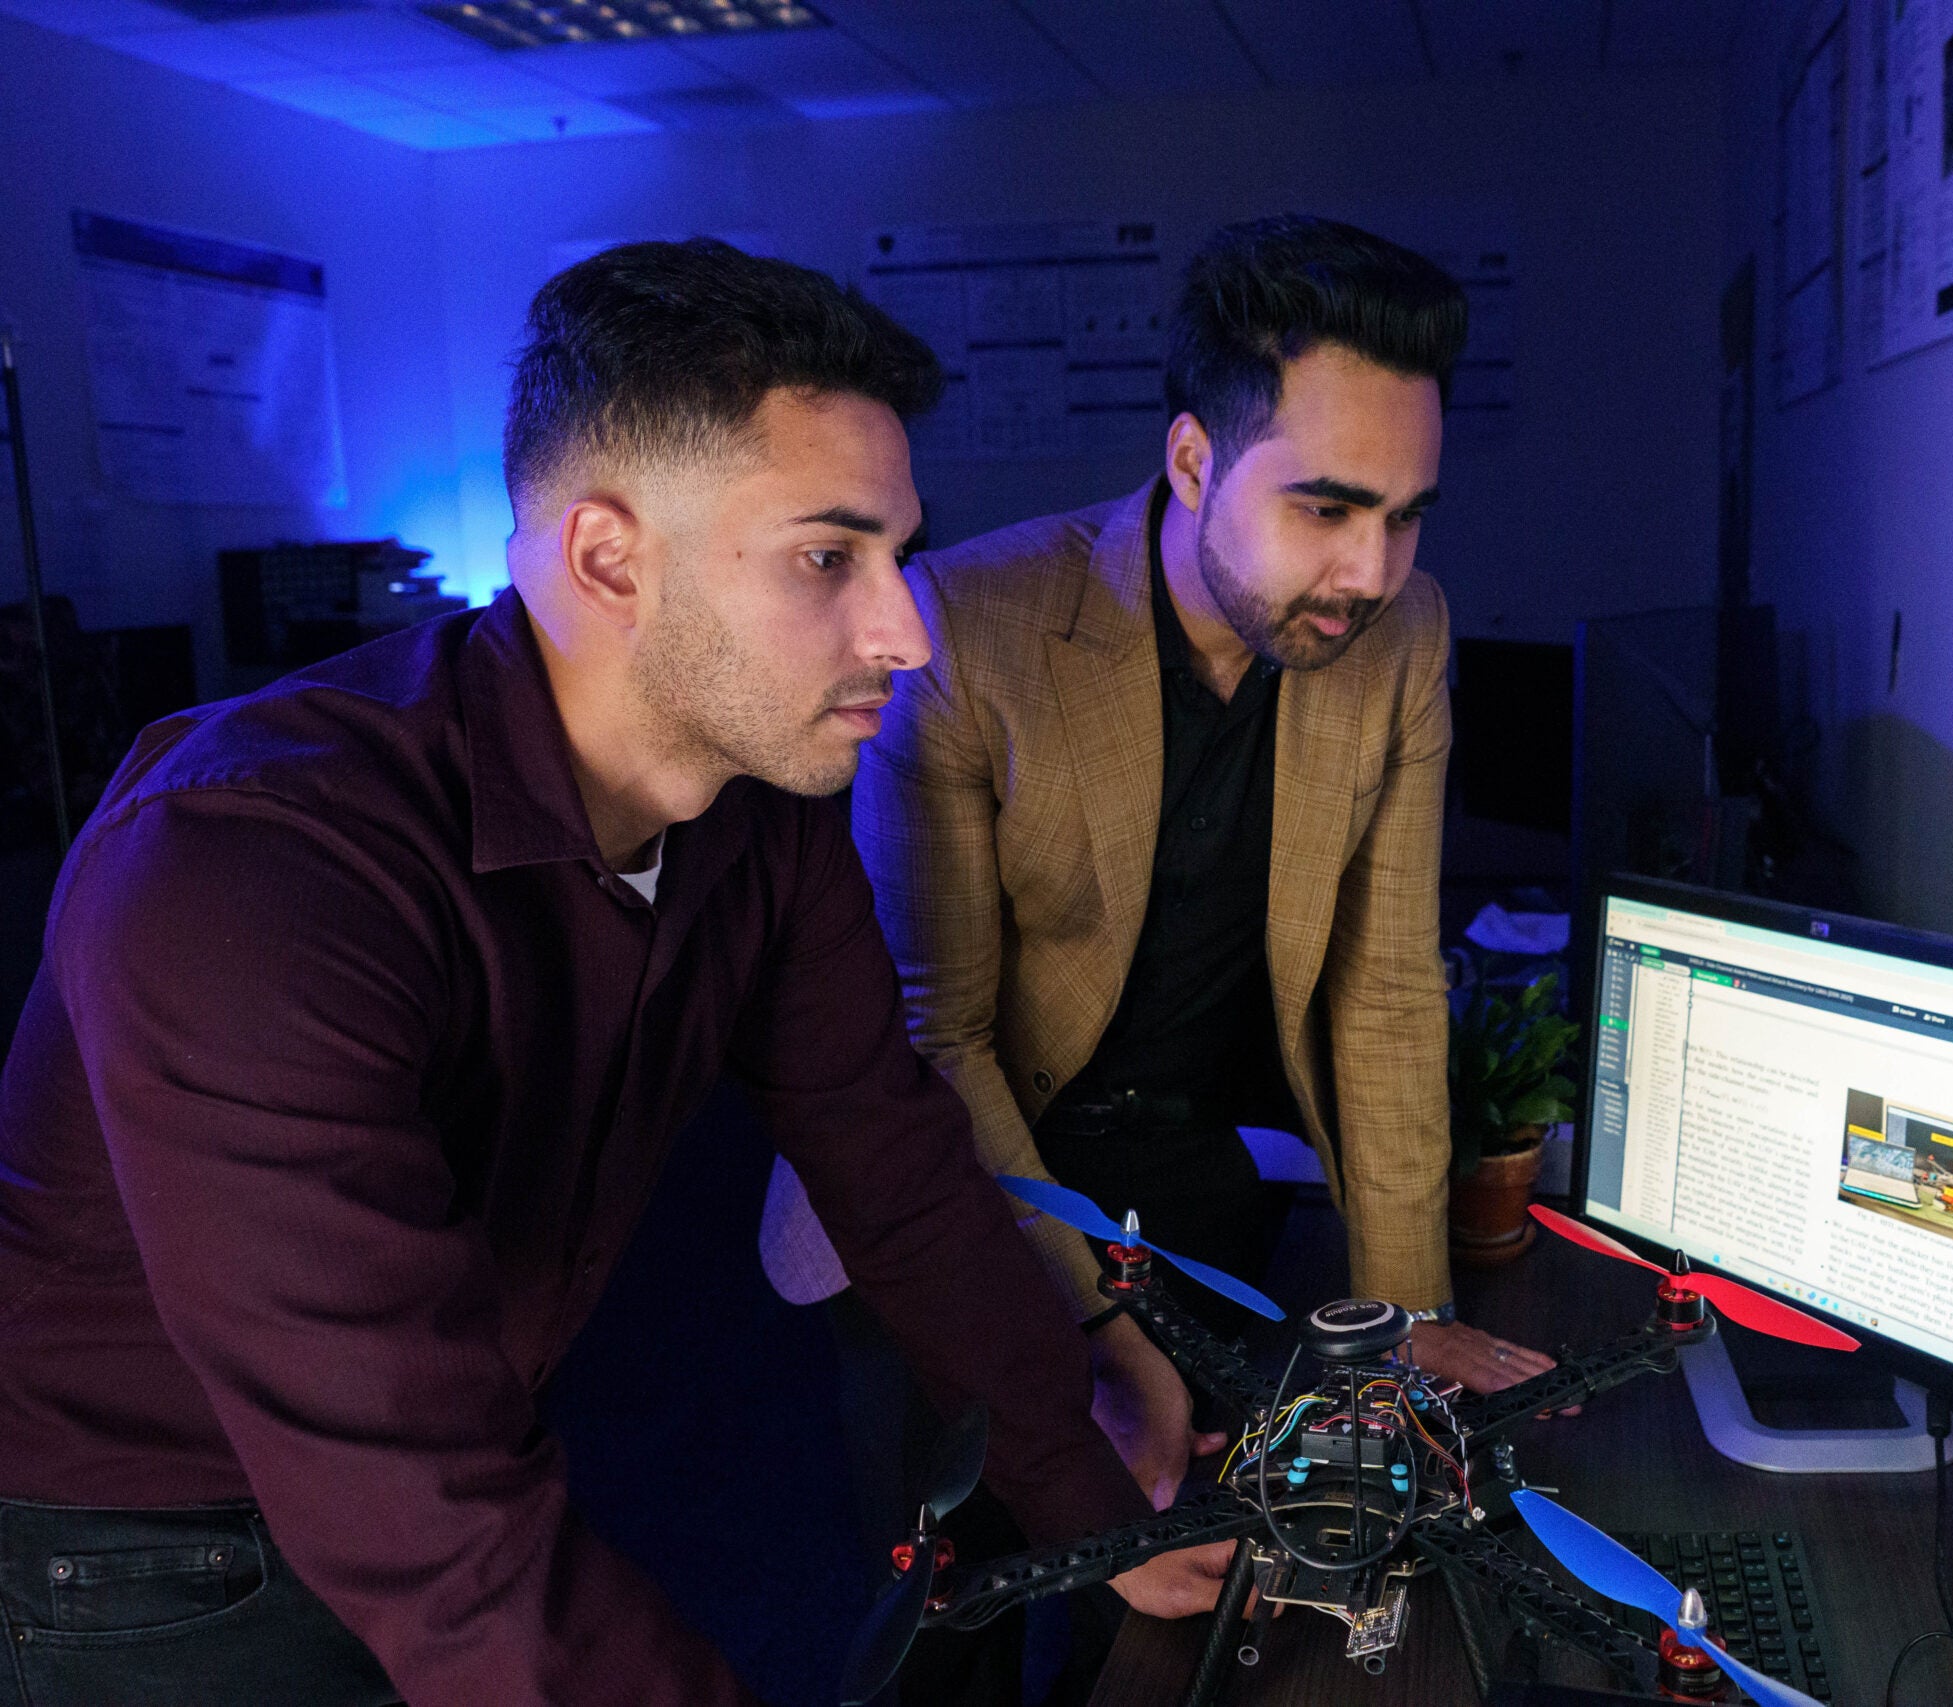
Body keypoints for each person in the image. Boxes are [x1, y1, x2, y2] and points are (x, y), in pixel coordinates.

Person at [0, 239, 1227, 1707]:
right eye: (831, 558)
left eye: (900, 555)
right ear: (607, 558)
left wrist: (1091, 1511)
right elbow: (428, 1511)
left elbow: (896, 1170)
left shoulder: (757, 813)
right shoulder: (245, 871)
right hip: (146, 1556)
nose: (907, 632)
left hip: (455, 1466)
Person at [762, 215, 1561, 1515]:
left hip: (1184, 1166)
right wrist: (1098, 1328)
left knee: (1189, 1588)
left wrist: (1408, 1310)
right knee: (958, 1611)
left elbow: (1389, 988)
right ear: (1194, 459)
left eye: (1406, 516)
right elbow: (935, 1034)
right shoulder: (967, 628)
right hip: (949, 1181)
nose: (1371, 569)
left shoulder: (1404, 633)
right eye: (1325, 506)